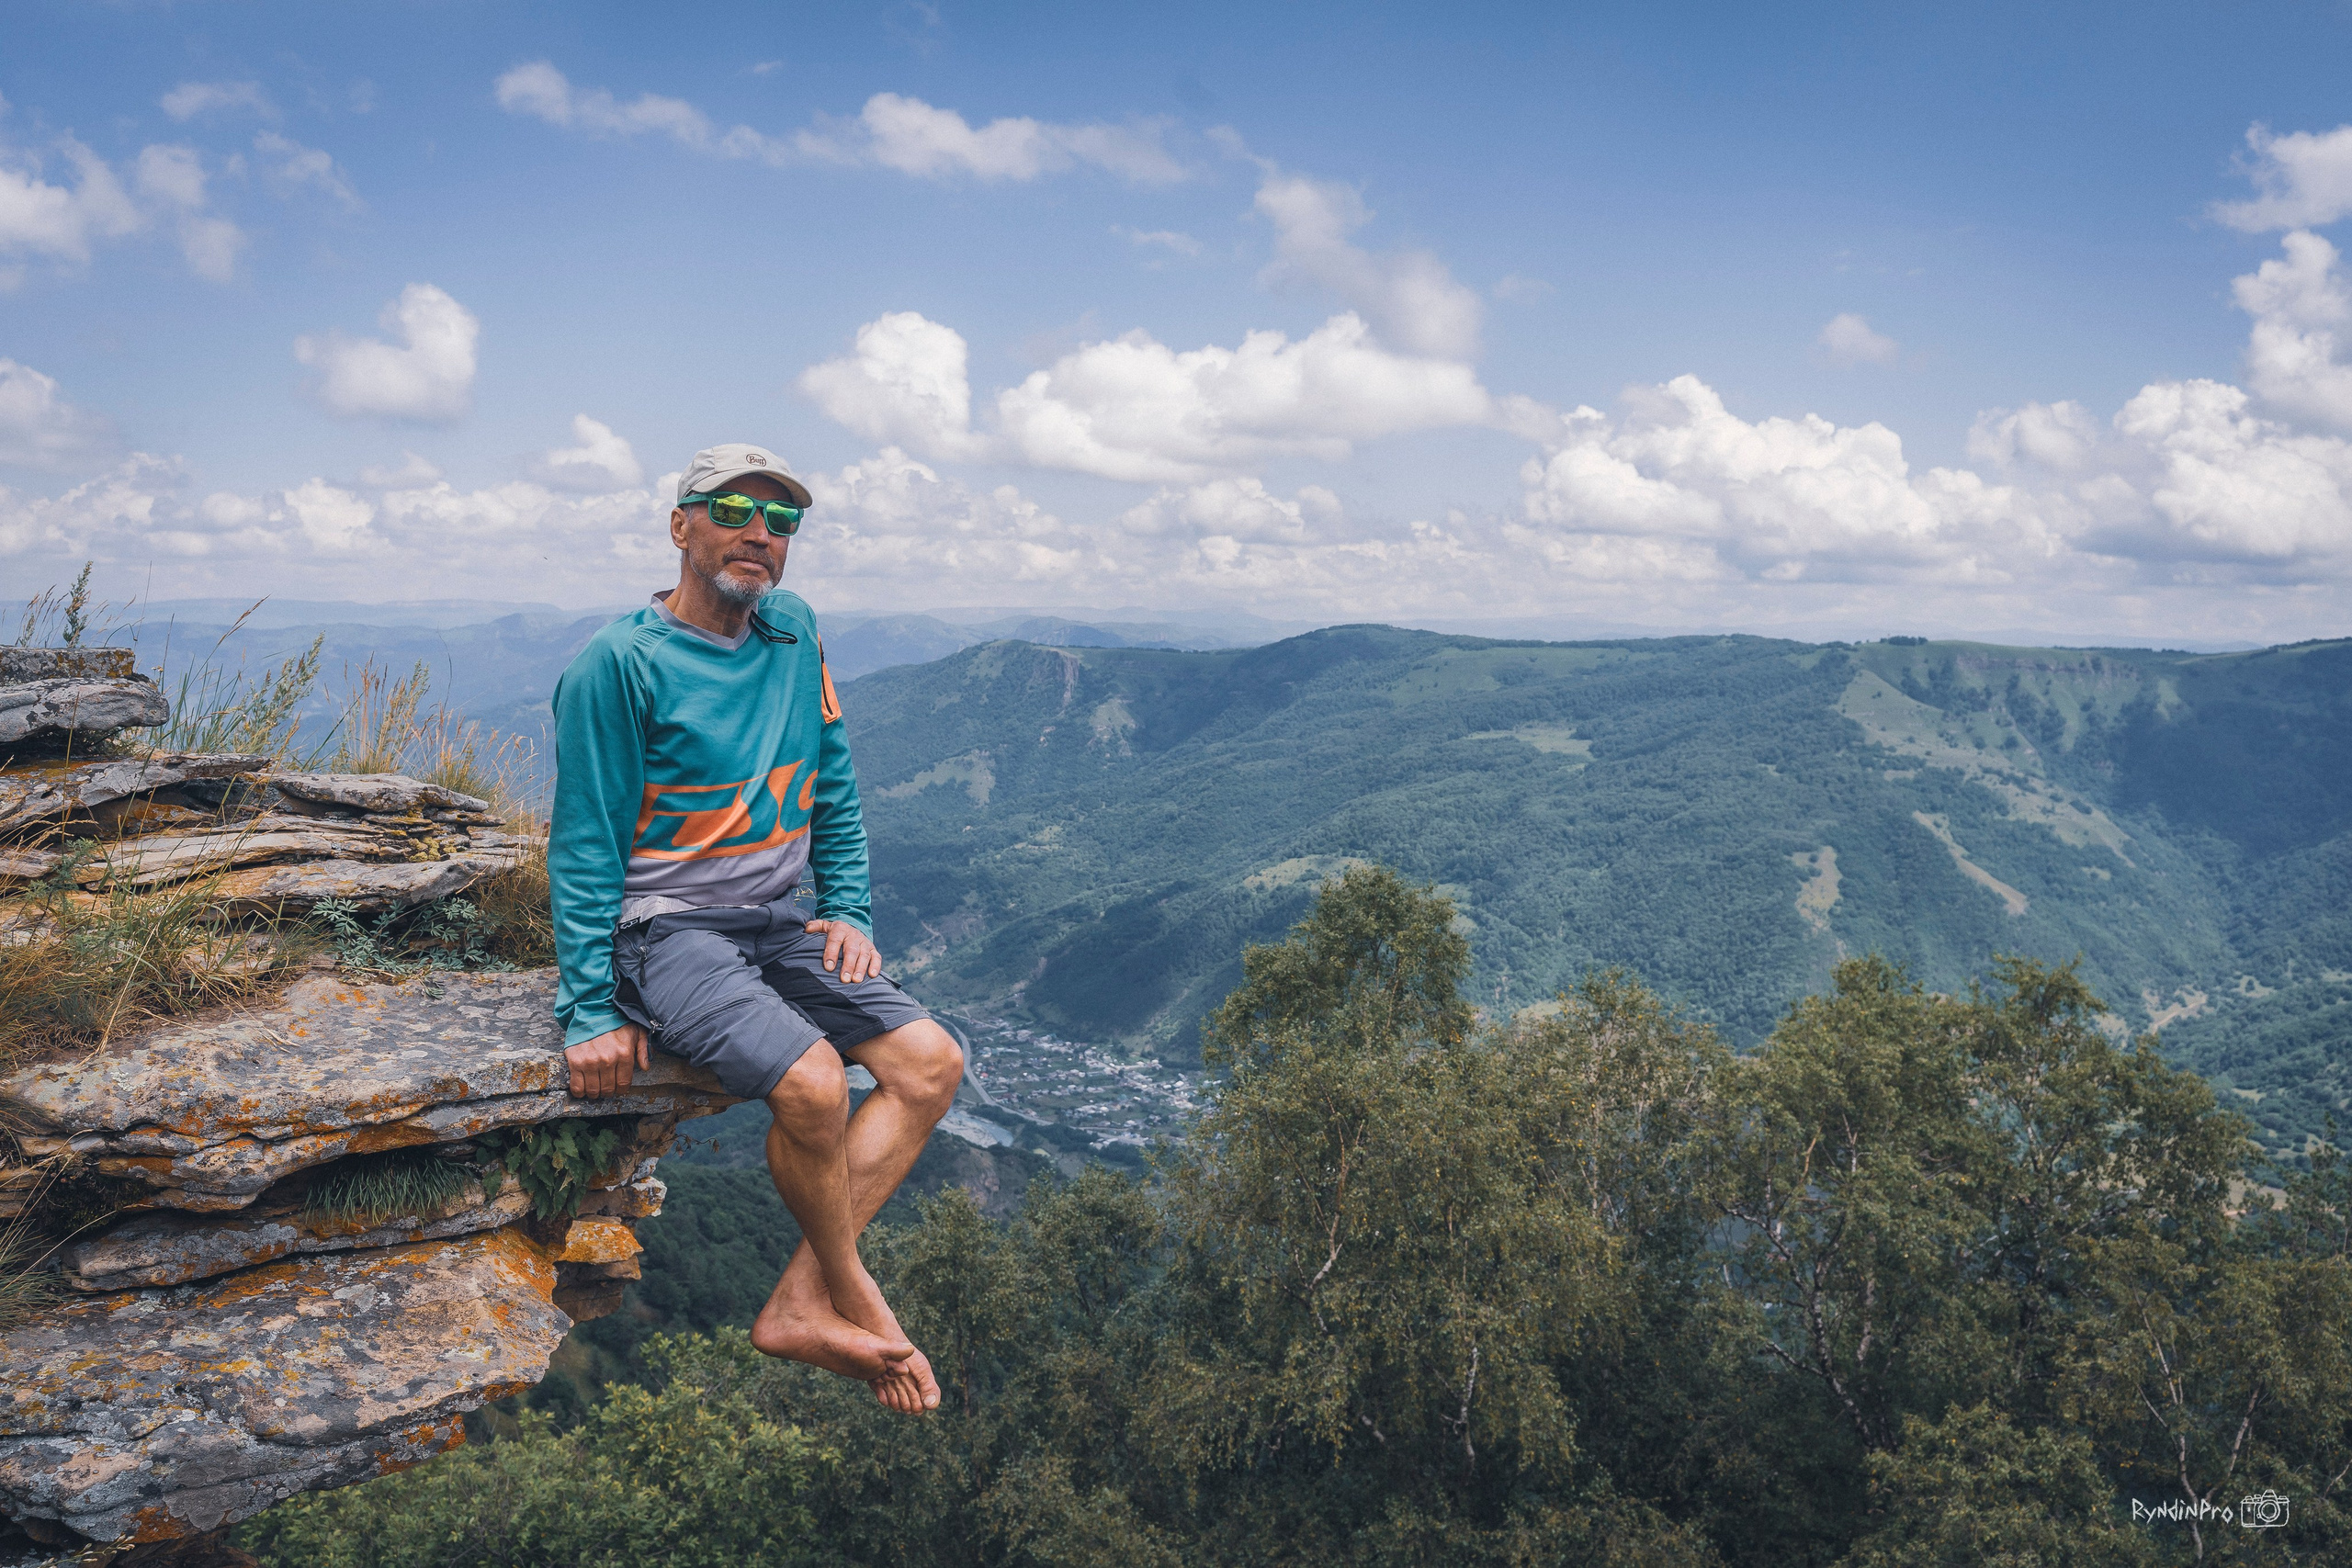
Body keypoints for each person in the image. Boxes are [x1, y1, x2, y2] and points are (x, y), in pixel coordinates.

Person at [547, 442, 960, 1416]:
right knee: (814, 1084)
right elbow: (583, 846)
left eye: (781, 522)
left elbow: (832, 780)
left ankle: (798, 1304)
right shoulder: (620, 666)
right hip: (668, 930)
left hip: (780, 920)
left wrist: (847, 905)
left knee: (932, 1063)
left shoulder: (793, 631)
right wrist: (587, 1009)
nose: (758, 536)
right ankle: (852, 1290)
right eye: (733, 511)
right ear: (680, 525)